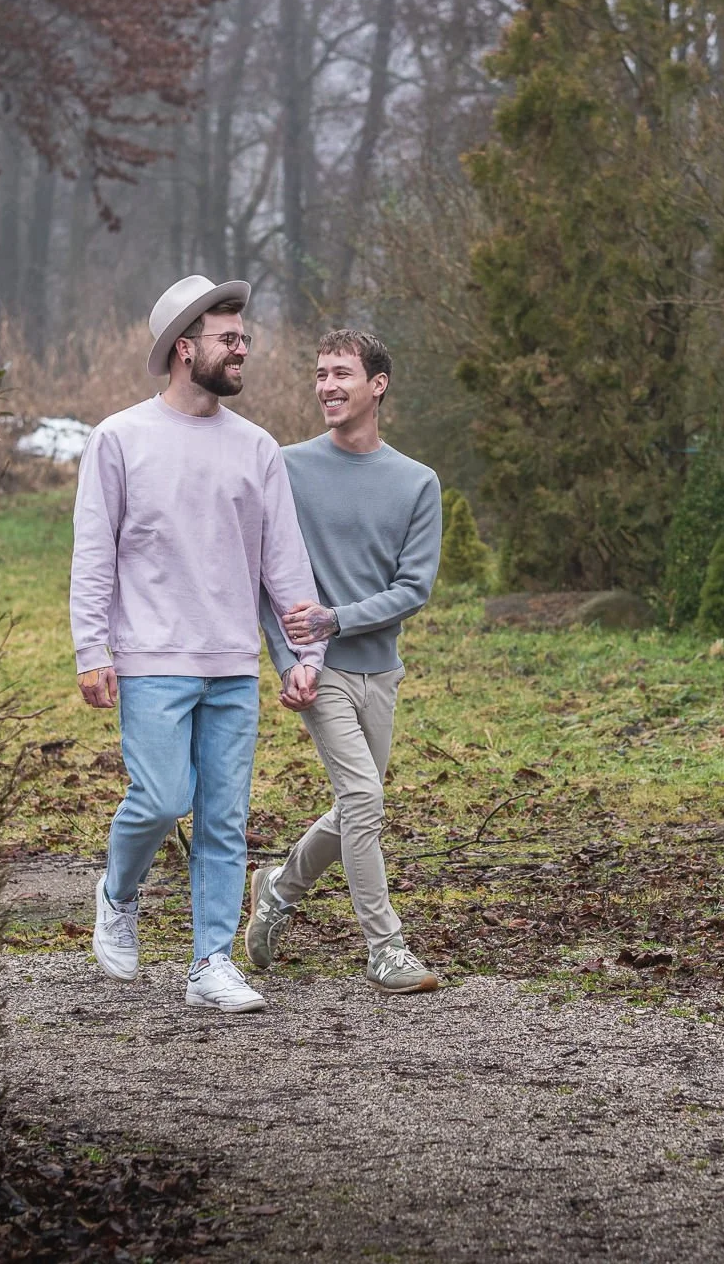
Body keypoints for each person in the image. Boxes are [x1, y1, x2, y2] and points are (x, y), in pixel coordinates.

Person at [71, 275, 327, 1013]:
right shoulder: (119, 439)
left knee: (224, 817)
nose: (242, 348)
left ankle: (211, 961)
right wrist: (92, 649)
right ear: (186, 348)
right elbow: (94, 554)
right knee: (160, 799)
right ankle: (118, 893)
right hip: (150, 660)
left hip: (231, 666)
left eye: (244, 337)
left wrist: (304, 656)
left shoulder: (258, 448)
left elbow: (285, 566)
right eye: (228, 338)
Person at [244, 328, 443, 994]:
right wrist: (291, 659)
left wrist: (340, 616)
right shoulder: (286, 467)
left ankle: (278, 887)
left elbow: (413, 588)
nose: (326, 385)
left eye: (341, 373)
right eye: (320, 373)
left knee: (356, 804)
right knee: (363, 797)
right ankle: (385, 948)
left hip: (380, 669)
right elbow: (265, 576)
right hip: (319, 668)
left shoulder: (417, 483)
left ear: (377, 385)